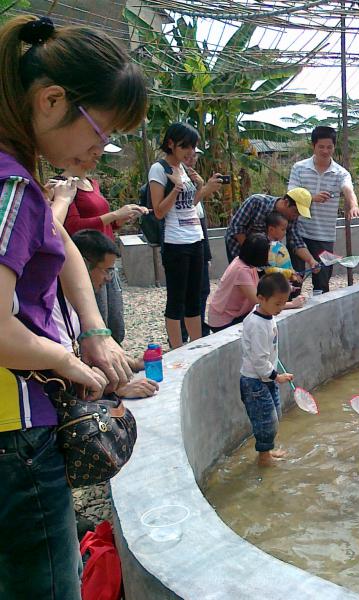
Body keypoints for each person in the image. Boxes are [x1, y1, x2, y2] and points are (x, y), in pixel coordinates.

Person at [0, 15, 146, 598]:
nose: (101, 149)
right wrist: (70, 365)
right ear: (51, 101)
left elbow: (59, 248)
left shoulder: (22, 180)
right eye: (102, 130)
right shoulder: (12, 189)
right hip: (17, 433)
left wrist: (94, 329)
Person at [52, 147, 147, 344]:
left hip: (106, 257)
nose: (98, 157)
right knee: (97, 321)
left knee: (115, 321)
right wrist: (114, 214)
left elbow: (103, 222)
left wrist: (121, 219)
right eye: (93, 153)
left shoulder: (92, 183)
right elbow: (71, 226)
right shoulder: (63, 186)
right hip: (88, 262)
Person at [56, 230, 159, 400]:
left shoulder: (73, 304)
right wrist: (116, 389)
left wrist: (131, 363)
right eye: (107, 271)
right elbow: (67, 371)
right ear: (82, 265)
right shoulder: (57, 307)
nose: (109, 279)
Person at [148, 123, 213, 348]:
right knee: (176, 299)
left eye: (192, 146)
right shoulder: (159, 169)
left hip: (195, 237)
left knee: (195, 297)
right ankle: (177, 349)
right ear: (170, 143)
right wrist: (175, 189)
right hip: (175, 242)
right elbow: (158, 211)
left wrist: (201, 186)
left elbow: (189, 206)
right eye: (185, 146)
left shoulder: (183, 169)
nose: (190, 151)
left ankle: (195, 346)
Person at [287, 126, 359, 294]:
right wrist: (312, 198)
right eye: (321, 146)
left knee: (322, 281)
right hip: (298, 230)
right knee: (293, 279)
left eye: (329, 147)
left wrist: (354, 205)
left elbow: (348, 190)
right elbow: (290, 196)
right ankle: (291, 308)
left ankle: (319, 312)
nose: (325, 151)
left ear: (334, 147)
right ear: (313, 146)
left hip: (324, 235)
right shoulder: (299, 168)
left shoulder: (340, 173)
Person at [239, 273, 294, 467]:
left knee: (274, 416)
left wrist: (274, 374)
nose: (280, 308)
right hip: (255, 381)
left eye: (283, 303)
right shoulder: (256, 324)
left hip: (266, 378)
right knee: (265, 420)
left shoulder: (268, 316)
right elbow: (259, 360)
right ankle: (263, 457)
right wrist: (277, 376)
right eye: (277, 304)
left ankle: (267, 450)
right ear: (261, 298)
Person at [182, 147, 222, 338]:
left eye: (194, 155)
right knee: (186, 292)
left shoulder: (192, 177)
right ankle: (182, 334)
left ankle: (199, 331)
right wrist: (204, 190)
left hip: (198, 235)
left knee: (202, 290)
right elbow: (185, 207)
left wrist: (200, 186)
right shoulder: (173, 176)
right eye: (187, 155)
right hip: (183, 241)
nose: (192, 159)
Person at [225, 188, 316, 269]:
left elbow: (296, 242)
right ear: (286, 202)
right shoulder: (256, 202)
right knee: (242, 276)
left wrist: (311, 260)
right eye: (296, 212)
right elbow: (237, 227)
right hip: (239, 244)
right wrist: (253, 252)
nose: (296, 216)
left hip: (264, 253)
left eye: (299, 214)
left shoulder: (291, 217)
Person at [206, 234, 269, 332]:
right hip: (223, 321)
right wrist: (289, 304)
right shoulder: (241, 271)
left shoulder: (244, 263)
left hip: (235, 315)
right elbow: (259, 302)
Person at [264, 211, 307, 307]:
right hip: (276, 287)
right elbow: (269, 269)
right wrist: (289, 273)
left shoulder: (278, 245)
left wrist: (293, 273)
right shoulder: (269, 248)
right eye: (283, 229)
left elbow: (287, 264)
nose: (285, 232)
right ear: (271, 229)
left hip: (286, 283)